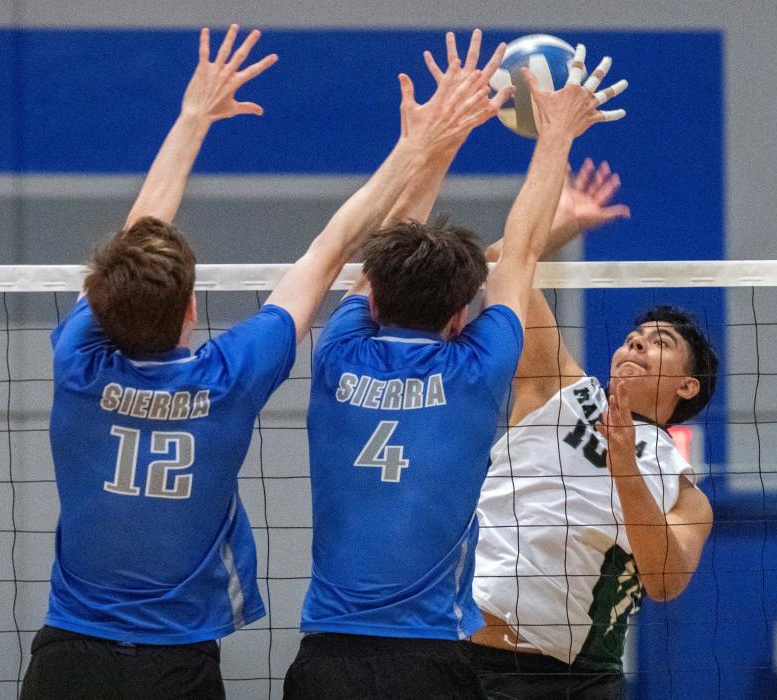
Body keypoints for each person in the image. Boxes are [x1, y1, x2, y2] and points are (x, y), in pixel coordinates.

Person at [21, 24, 494, 700]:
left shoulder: (78, 364)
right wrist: (413, 149)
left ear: (96, 307)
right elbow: (330, 252)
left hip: (70, 656)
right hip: (177, 665)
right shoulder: (229, 377)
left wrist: (189, 119)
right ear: (191, 311)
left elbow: (138, 234)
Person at [284, 35, 627, 699]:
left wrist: (440, 137)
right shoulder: (478, 368)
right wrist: (553, 136)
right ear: (459, 319)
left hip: (326, 659)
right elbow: (519, 253)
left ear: (375, 297)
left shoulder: (337, 351)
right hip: (430, 663)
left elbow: (388, 246)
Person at [467, 163, 718, 698]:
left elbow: (665, 581)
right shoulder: (558, 385)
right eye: (633, 336)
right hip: (459, 657)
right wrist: (561, 227)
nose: (635, 344)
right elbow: (500, 270)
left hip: (568, 681)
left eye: (659, 342)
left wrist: (624, 461)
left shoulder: (686, 495)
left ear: (688, 387)